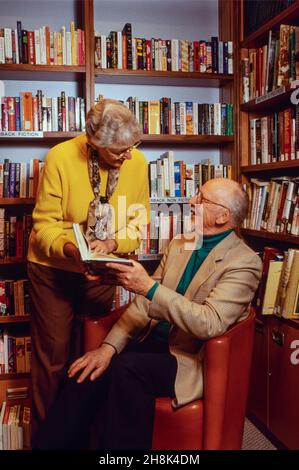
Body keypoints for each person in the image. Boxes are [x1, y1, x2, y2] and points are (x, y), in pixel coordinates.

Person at [33, 178, 262, 450]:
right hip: (151, 340)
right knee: (86, 369)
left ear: (223, 216)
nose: (191, 201)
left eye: (201, 199)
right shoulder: (181, 244)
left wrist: (149, 288)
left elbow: (209, 323)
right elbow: (144, 301)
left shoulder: (245, 262)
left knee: (126, 369)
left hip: (188, 356)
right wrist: (107, 347)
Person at [27, 99, 150, 437]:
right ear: (93, 142)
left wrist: (113, 245)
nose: (128, 156)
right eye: (118, 151)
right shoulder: (61, 157)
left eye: (133, 146)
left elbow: (139, 220)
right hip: (55, 269)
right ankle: (49, 442)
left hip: (102, 267)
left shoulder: (136, 162)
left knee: (93, 355)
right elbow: (44, 225)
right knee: (53, 361)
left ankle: (89, 440)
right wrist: (72, 251)